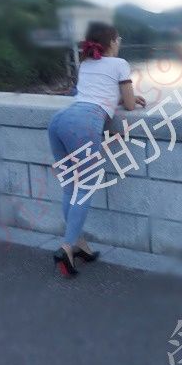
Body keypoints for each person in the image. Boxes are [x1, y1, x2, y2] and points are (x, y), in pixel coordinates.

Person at [48, 22, 145, 277]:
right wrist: (131, 98)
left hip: (59, 121)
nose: (119, 42)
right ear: (111, 42)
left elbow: (93, 92)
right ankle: (67, 247)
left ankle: (79, 245)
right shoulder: (120, 64)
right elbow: (130, 106)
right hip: (84, 123)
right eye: (118, 38)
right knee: (86, 187)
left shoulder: (85, 64)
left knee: (70, 186)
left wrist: (122, 97)